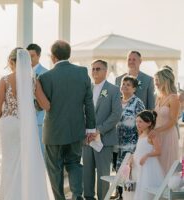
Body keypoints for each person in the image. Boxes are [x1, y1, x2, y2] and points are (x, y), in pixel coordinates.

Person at [39, 40, 96, 200]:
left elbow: (41, 106)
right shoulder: (82, 72)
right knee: (74, 164)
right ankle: (77, 197)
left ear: (53, 56)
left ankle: (59, 198)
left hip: (53, 132)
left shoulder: (45, 77)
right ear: (68, 54)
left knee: (54, 168)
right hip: (76, 129)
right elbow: (89, 103)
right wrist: (91, 128)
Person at [0, 48, 51, 200]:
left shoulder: (5, 80)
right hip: (26, 125)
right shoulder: (33, 80)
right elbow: (46, 105)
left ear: (12, 62)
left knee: (9, 162)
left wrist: (5, 114)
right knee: (25, 161)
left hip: (9, 124)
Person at [82, 60, 122, 200]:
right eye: (92, 69)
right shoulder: (87, 89)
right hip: (87, 138)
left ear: (105, 71)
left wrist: (99, 130)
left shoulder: (113, 90)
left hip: (104, 138)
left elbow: (116, 114)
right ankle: (88, 197)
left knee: (103, 174)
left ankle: (103, 198)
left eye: (98, 69)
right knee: (87, 172)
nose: (94, 72)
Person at [115, 75, 145, 199]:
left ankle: (129, 196)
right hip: (115, 143)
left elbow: (143, 124)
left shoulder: (137, 102)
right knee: (117, 169)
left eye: (128, 84)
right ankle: (119, 194)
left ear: (134, 89)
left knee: (128, 171)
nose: (125, 86)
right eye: (123, 84)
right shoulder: (116, 100)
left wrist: (139, 144)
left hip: (131, 143)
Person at [150, 68, 180, 175]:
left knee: (167, 166)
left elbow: (173, 121)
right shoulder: (159, 97)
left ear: (166, 80)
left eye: (158, 80)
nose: (156, 83)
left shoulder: (174, 98)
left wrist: (157, 131)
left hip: (168, 136)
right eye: (155, 80)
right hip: (157, 136)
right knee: (156, 166)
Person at [131, 110, 164, 200]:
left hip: (148, 167)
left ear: (149, 123)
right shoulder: (141, 134)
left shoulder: (151, 135)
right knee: (139, 187)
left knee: (145, 189)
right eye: (136, 121)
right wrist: (132, 157)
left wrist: (146, 156)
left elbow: (158, 151)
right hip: (139, 166)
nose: (138, 124)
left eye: (140, 122)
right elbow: (139, 150)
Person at [26, 43, 48, 153]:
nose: (30, 59)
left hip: (40, 118)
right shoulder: (21, 73)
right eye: (28, 56)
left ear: (39, 56)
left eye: (32, 56)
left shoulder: (46, 73)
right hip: (24, 119)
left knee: (40, 151)